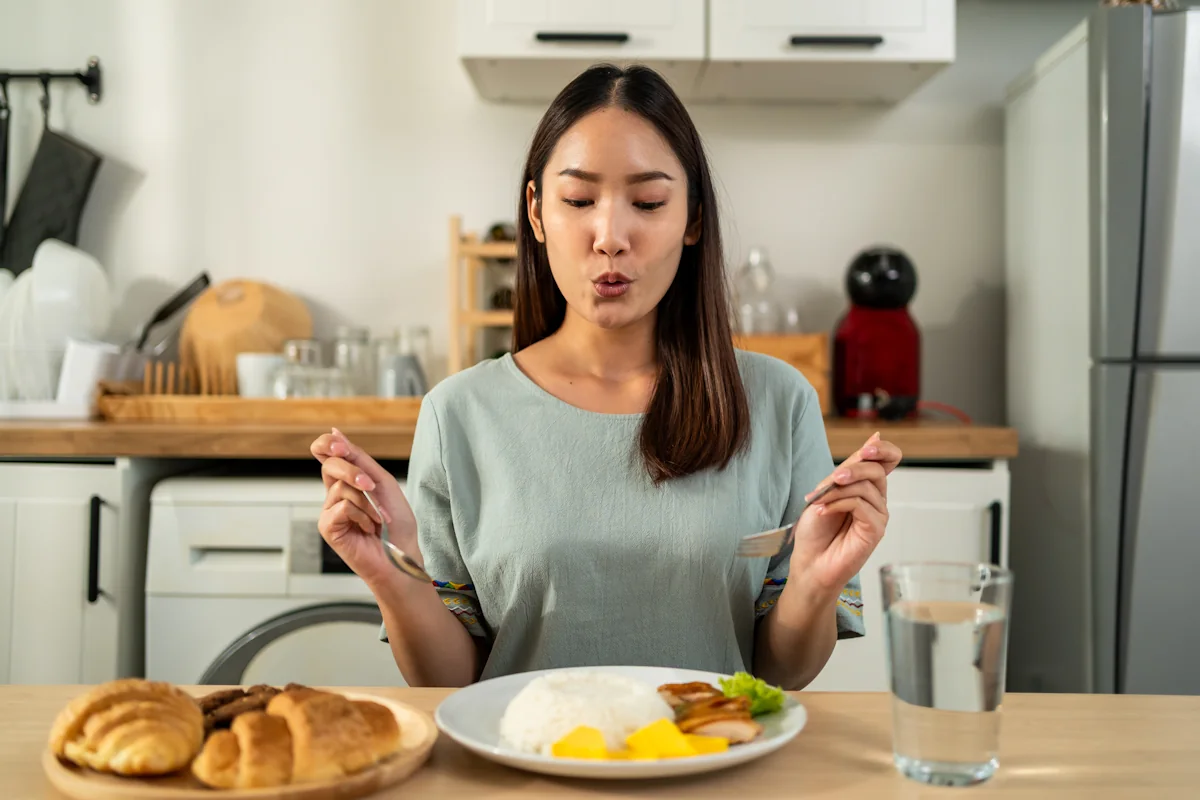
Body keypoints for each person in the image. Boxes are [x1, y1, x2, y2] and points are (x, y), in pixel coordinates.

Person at [311, 63, 902, 690]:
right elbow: (451, 682)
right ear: (536, 213)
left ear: (693, 219)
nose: (611, 237)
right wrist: (390, 575)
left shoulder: (779, 402)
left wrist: (814, 583)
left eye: (648, 203)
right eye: (578, 200)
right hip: (525, 780)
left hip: (711, 773)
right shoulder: (457, 414)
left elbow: (781, 674)